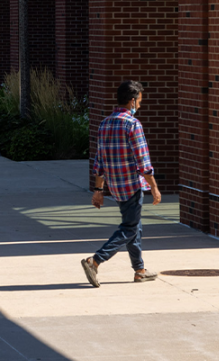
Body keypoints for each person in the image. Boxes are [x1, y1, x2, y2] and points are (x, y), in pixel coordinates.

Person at [81, 80, 162, 287]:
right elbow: (143, 161)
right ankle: (96, 260)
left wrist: (98, 189)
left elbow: (99, 161)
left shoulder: (105, 123)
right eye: (140, 101)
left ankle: (140, 270)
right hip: (132, 186)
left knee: (134, 226)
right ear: (132, 101)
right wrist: (153, 186)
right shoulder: (132, 124)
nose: (140, 106)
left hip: (115, 187)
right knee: (129, 228)